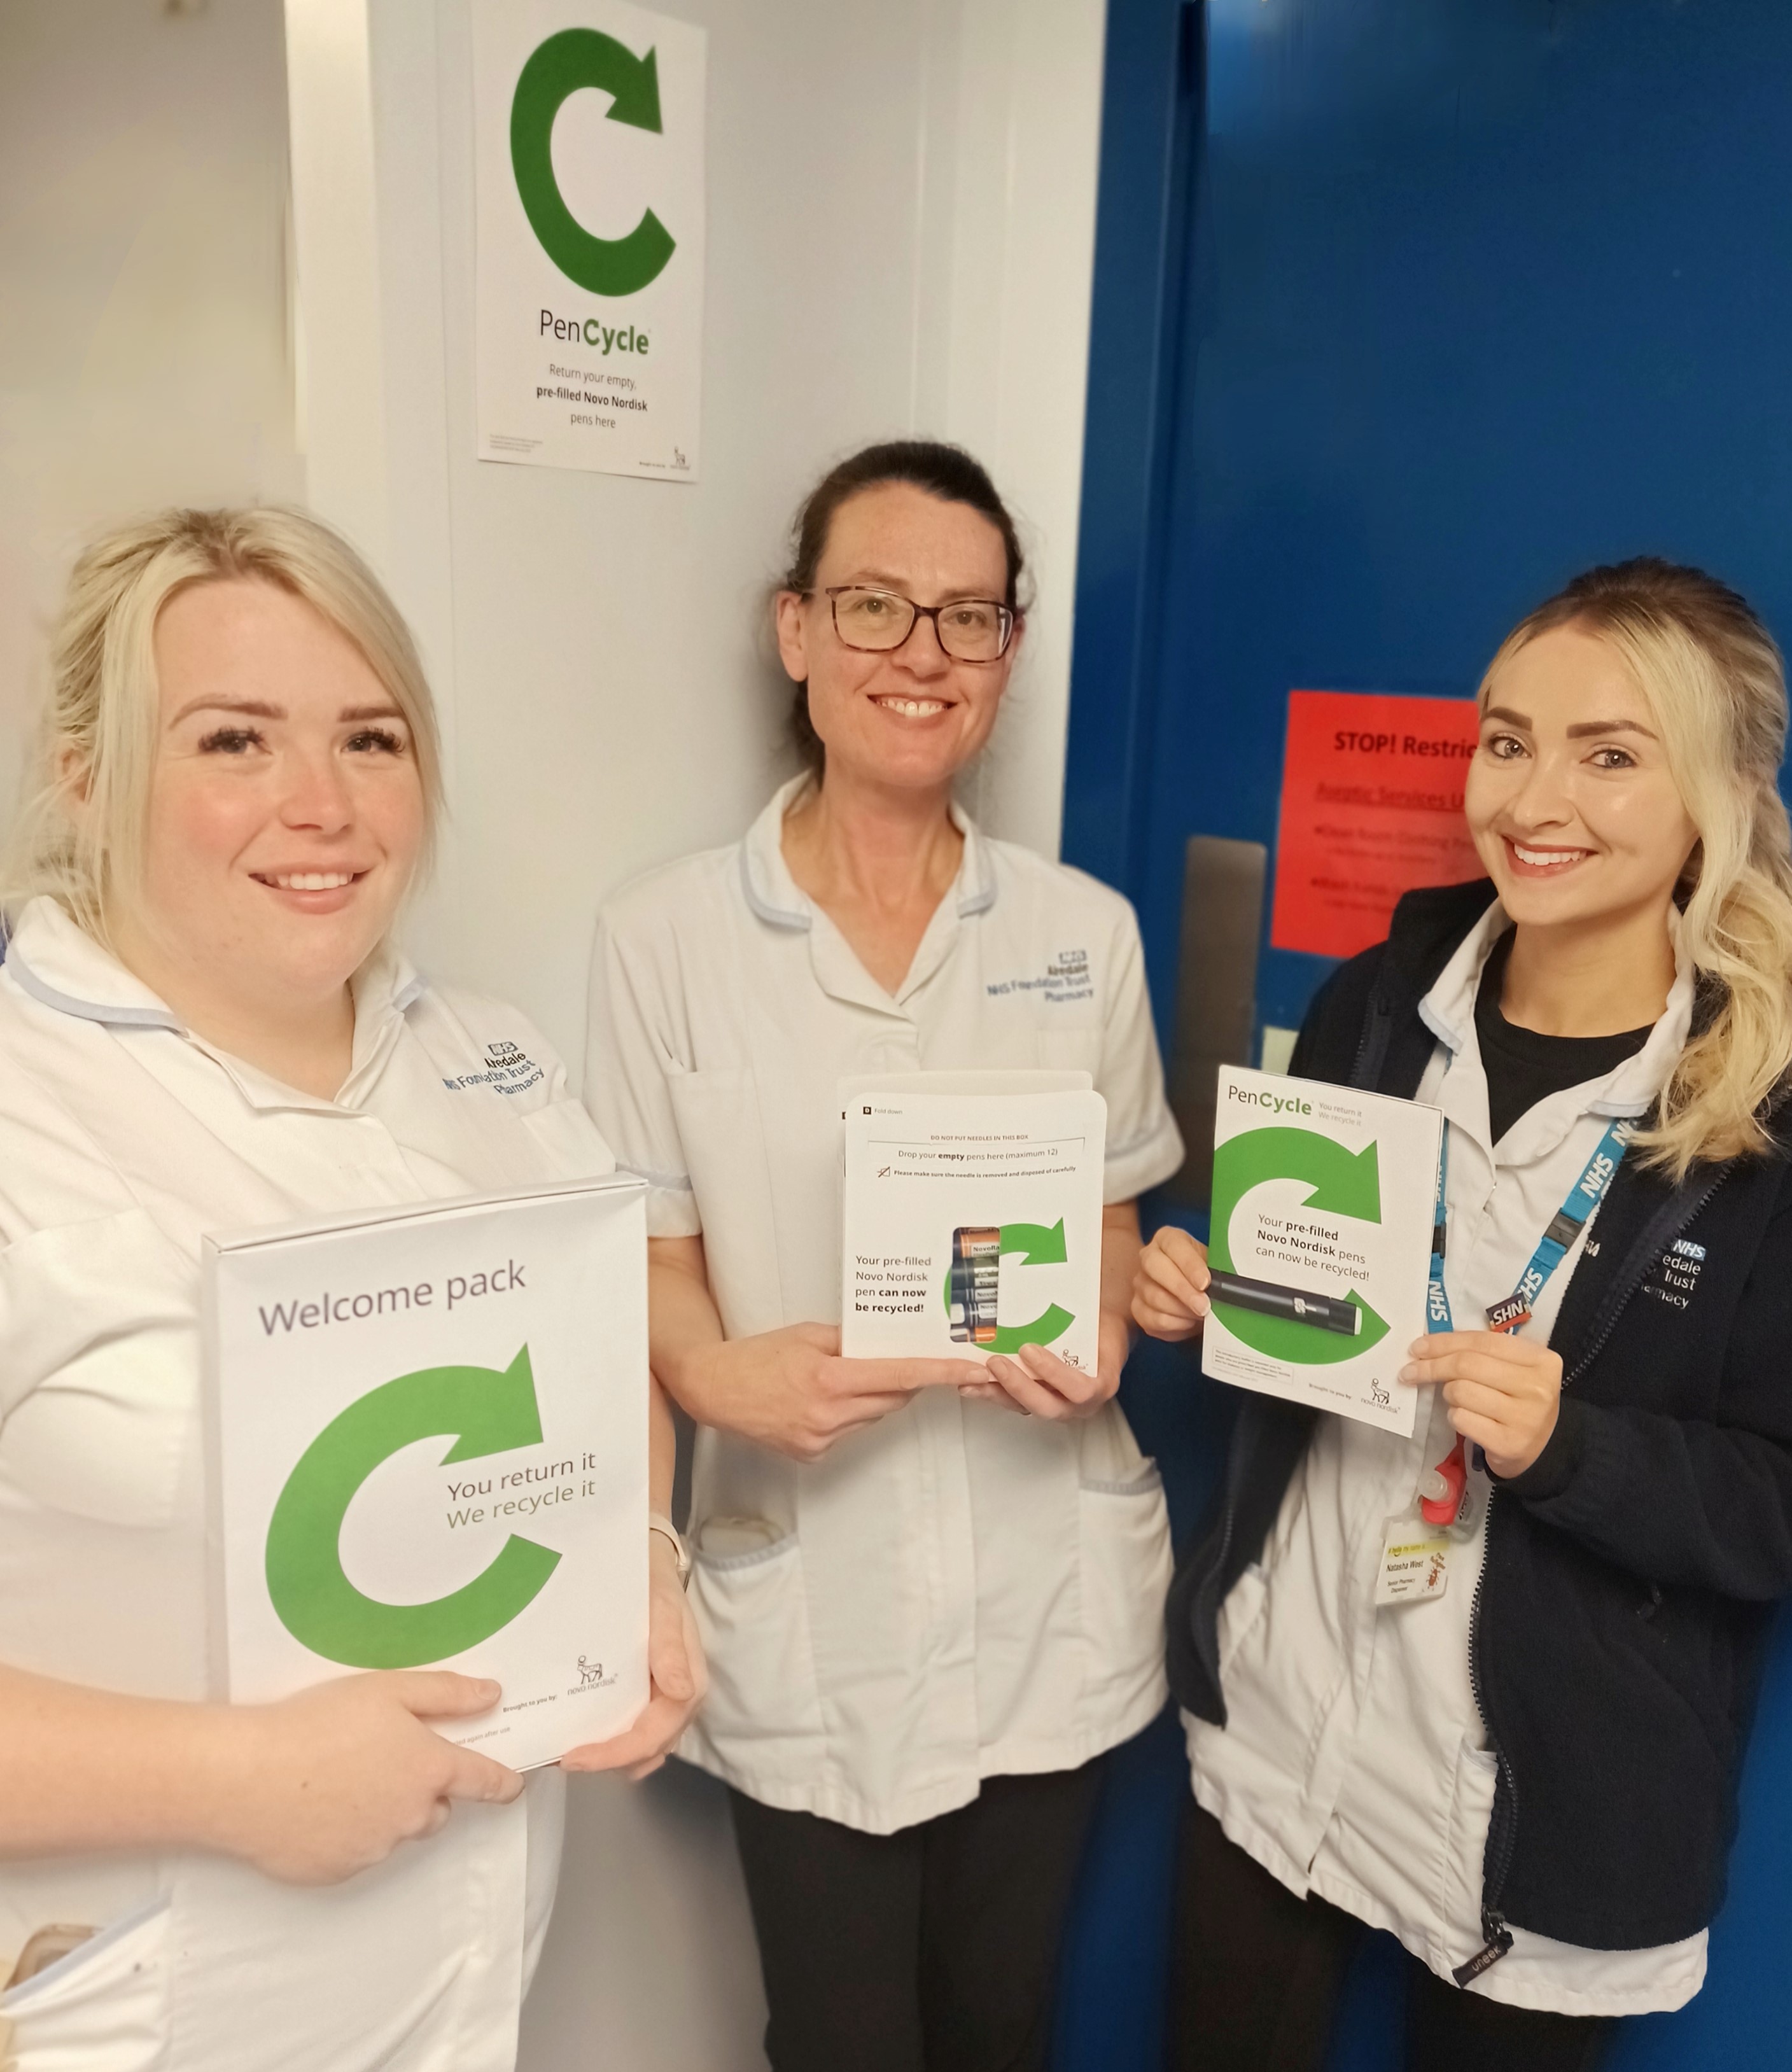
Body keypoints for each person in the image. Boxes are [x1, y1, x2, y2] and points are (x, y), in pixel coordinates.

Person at [0, 508, 704, 2072]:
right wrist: (225, 1777)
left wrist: (640, 1562)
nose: (320, 805)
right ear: (85, 771)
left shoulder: (492, 1058)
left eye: (370, 738)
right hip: (139, 2000)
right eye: (233, 739)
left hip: (466, 1976)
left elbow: (610, 1368)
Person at [1133, 557, 1792, 2072]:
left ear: (1716, 792)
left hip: (1541, 1813)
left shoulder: (1764, 1115)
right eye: (1506, 738)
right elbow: (1306, 1288)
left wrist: (1576, 1447)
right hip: (1284, 1722)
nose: (1532, 795)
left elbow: (1778, 1503)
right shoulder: (1375, 999)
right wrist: (1203, 1280)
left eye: (1608, 753)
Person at [584, 440, 1184, 2072]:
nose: (921, 651)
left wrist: (1116, 1321)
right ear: (795, 631)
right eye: (873, 605)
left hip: (1040, 1575)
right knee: (839, 2039)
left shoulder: (1085, 932)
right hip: (815, 1585)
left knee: (1003, 2029)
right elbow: (647, 1251)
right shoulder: (665, 939)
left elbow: (1116, 1213)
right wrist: (711, 1370)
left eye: (969, 617)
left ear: (1004, 653)